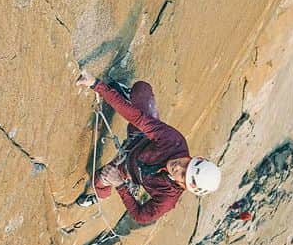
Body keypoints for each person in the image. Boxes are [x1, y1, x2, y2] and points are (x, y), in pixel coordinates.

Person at [74, 70, 220, 224]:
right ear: (194, 158)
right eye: (186, 164)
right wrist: (96, 85)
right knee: (141, 89)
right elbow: (138, 119)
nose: (178, 167)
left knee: (99, 180)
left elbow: (141, 216)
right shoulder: (174, 142)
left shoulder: (168, 198)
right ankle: (125, 97)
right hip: (139, 138)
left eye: (183, 175)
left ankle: (98, 197)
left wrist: (120, 185)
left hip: (126, 170)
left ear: (184, 186)